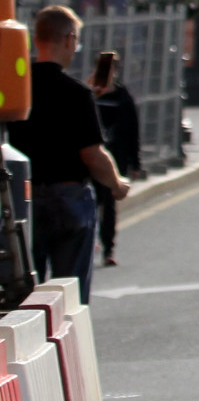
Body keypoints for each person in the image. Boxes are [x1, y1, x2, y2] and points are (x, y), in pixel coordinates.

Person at [3, 8, 130, 302]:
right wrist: (116, 184)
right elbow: (92, 155)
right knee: (69, 294)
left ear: (37, 39)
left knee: (28, 292)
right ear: (70, 40)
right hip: (69, 200)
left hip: (26, 200)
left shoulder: (19, 90)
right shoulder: (76, 93)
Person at [87, 51, 143, 268]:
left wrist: (135, 162)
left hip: (115, 157)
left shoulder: (122, 97)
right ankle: (92, 241)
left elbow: (133, 130)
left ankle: (108, 248)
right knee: (92, 201)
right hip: (92, 157)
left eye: (110, 70)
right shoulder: (87, 94)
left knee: (109, 204)